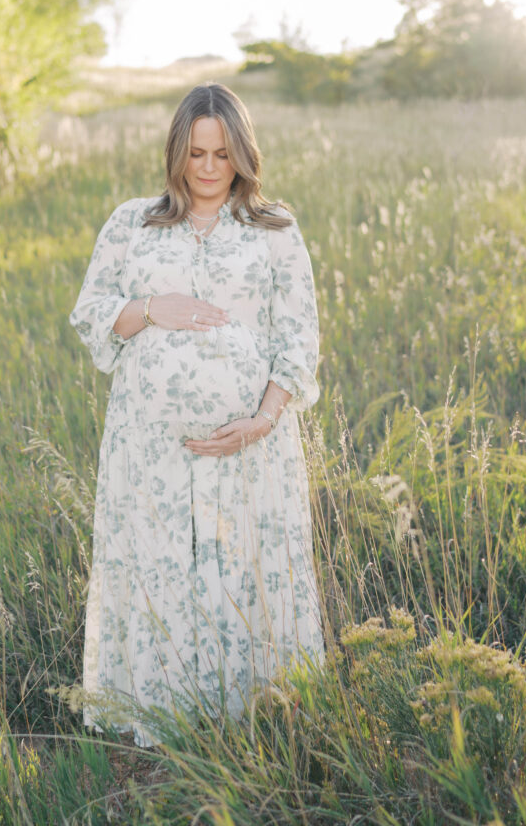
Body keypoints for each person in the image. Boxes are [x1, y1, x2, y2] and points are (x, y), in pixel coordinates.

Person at [69, 82, 325, 748]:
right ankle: (161, 719)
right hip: (148, 447)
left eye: (221, 154)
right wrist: (155, 308)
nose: (208, 168)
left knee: (239, 566)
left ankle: (249, 723)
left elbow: (299, 338)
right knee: (160, 568)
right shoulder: (133, 222)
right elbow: (93, 315)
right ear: (175, 152)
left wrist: (263, 420)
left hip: (249, 445)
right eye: (195, 153)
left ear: (242, 153)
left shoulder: (274, 228)